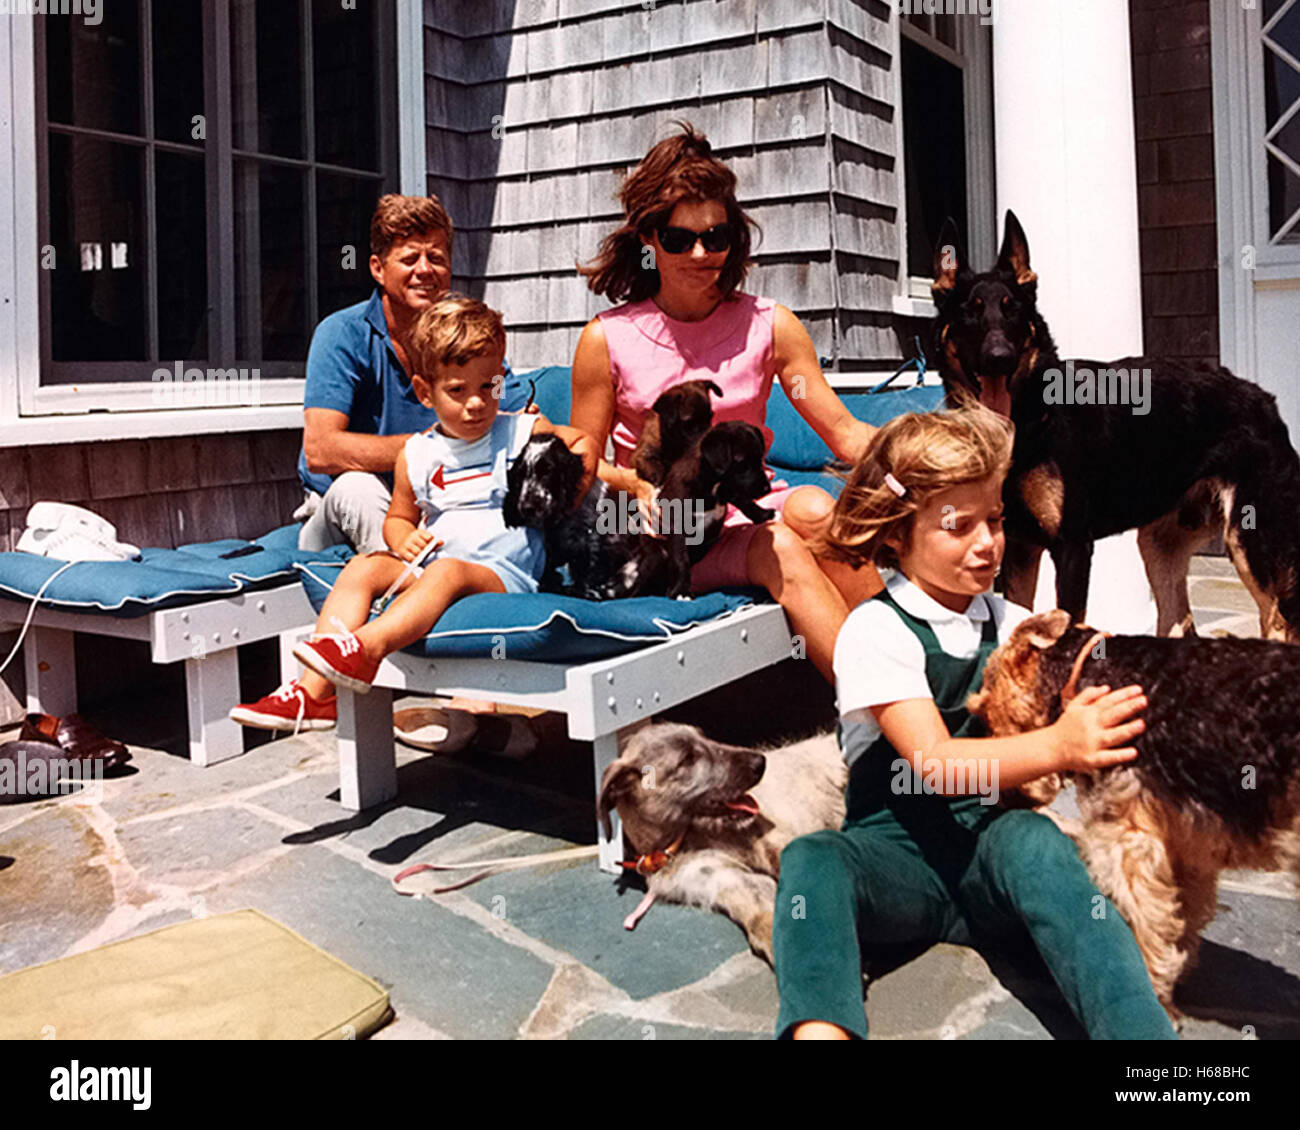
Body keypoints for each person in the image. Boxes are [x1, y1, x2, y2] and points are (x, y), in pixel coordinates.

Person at [771, 406, 1177, 1041]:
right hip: (894, 863)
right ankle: (821, 1030)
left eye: (995, 519)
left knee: (1038, 844)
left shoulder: (1006, 619)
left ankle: (1143, 1044)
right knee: (812, 861)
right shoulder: (877, 631)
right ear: (898, 534)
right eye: (959, 526)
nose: (987, 543)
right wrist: (1060, 746)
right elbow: (934, 763)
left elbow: (1083, 668)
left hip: (989, 858)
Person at [570, 123, 882, 682]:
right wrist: (637, 486)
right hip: (664, 535)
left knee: (816, 510)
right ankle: (887, 714)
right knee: (781, 545)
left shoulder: (771, 327)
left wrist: (937, 455)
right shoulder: (606, 340)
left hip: (748, 511)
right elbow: (583, 463)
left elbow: (845, 435)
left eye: (716, 238)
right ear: (648, 241)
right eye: (678, 239)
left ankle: (917, 676)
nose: (700, 253)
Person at [232, 295, 597, 732]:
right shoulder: (417, 453)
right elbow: (400, 517)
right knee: (363, 569)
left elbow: (582, 443)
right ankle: (312, 695)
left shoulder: (522, 431)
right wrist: (402, 538)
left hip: (502, 574)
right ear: (426, 392)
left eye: (488, 386)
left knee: (449, 574)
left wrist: (566, 495)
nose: (477, 403)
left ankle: (365, 649)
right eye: (457, 391)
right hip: (434, 564)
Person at [296, 194, 457, 554]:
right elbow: (321, 449)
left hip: (434, 503)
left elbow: (507, 408)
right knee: (360, 489)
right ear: (377, 268)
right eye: (410, 257)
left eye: (436, 257)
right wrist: (438, 444)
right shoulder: (342, 334)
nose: (425, 269)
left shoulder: (465, 336)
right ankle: (402, 598)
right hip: (341, 510)